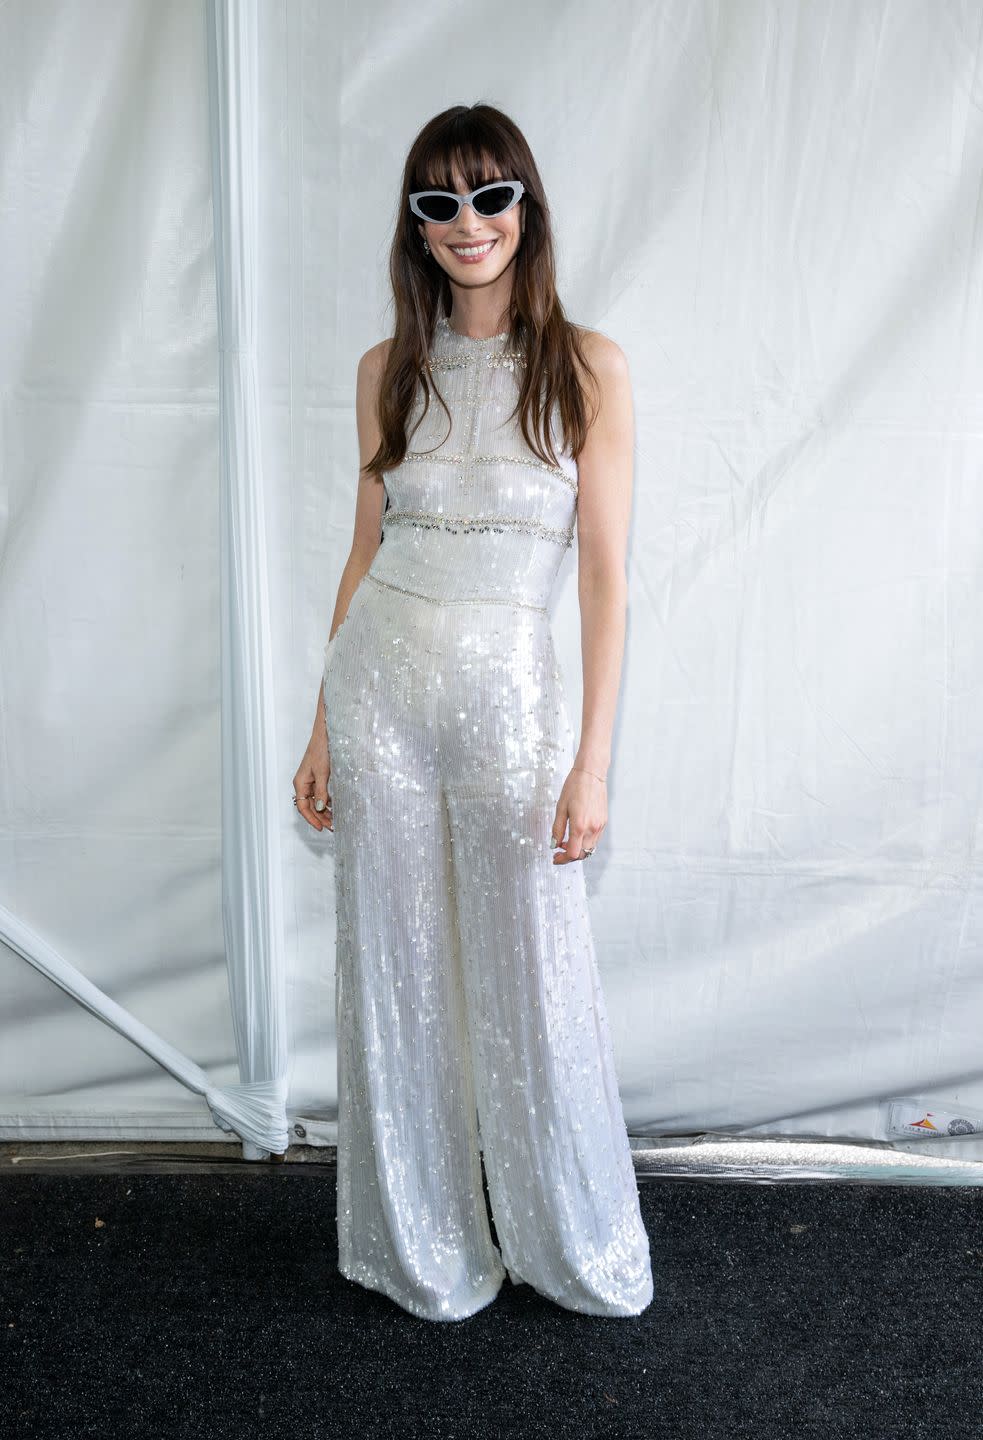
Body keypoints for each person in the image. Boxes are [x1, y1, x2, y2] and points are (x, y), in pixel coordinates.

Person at [292, 103, 654, 1322]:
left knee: (531, 981)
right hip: (378, 692)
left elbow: (602, 576)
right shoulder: (384, 372)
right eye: (437, 204)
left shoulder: (586, 368)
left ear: (525, 208)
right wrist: (322, 725)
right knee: (395, 980)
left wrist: (591, 762)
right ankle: (423, 1248)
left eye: (487, 196)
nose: (466, 225)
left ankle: (567, 1239)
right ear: (414, 227)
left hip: (513, 712)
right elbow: (362, 553)